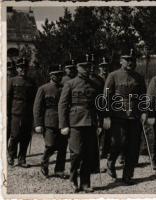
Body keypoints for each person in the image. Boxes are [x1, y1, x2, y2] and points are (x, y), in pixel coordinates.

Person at [103, 51, 146, 185]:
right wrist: (106, 115)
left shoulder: (138, 77)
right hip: (118, 115)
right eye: (126, 59)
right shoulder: (113, 76)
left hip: (134, 115)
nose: (130, 62)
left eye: (132, 60)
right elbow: (106, 97)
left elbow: (143, 96)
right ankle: (111, 161)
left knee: (133, 146)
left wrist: (144, 112)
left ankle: (128, 175)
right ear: (121, 61)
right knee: (119, 142)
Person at [58, 60, 100, 193]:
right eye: (83, 67)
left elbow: (99, 104)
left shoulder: (95, 84)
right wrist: (63, 124)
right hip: (75, 122)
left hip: (91, 122)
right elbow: (62, 105)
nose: (87, 69)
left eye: (88, 67)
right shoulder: (70, 84)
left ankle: (85, 182)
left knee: (88, 153)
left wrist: (101, 121)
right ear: (77, 68)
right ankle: (73, 179)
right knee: (76, 152)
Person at [33, 65, 68, 179]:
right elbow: (37, 107)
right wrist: (38, 123)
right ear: (51, 76)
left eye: (60, 75)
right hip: (49, 121)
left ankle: (59, 169)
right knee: (50, 145)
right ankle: (44, 163)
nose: (58, 77)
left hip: (63, 121)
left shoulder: (65, 88)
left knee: (63, 146)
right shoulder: (43, 88)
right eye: (56, 74)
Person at [7, 58, 37, 168]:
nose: (23, 69)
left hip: (28, 113)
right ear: (17, 69)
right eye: (21, 67)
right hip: (15, 112)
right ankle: (11, 156)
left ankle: (22, 158)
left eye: (25, 67)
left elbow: (35, 99)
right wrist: (8, 112)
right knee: (15, 135)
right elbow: (8, 98)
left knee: (26, 136)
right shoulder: (12, 80)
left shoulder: (32, 82)